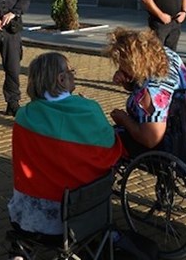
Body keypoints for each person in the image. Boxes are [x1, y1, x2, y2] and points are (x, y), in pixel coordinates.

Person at [8, 52, 123, 235]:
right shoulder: (88, 110)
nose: (73, 74)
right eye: (71, 71)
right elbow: (110, 149)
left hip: (29, 215)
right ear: (61, 79)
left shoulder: (23, 116)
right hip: (77, 218)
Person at [106, 27, 186, 156]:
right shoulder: (168, 55)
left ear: (133, 63)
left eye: (122, 64)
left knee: (108, 137)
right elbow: (141, 85)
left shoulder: (152, 92)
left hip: (170, 143)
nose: (119, 67)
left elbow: (151, 139)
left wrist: (124, 120)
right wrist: (127, 81)